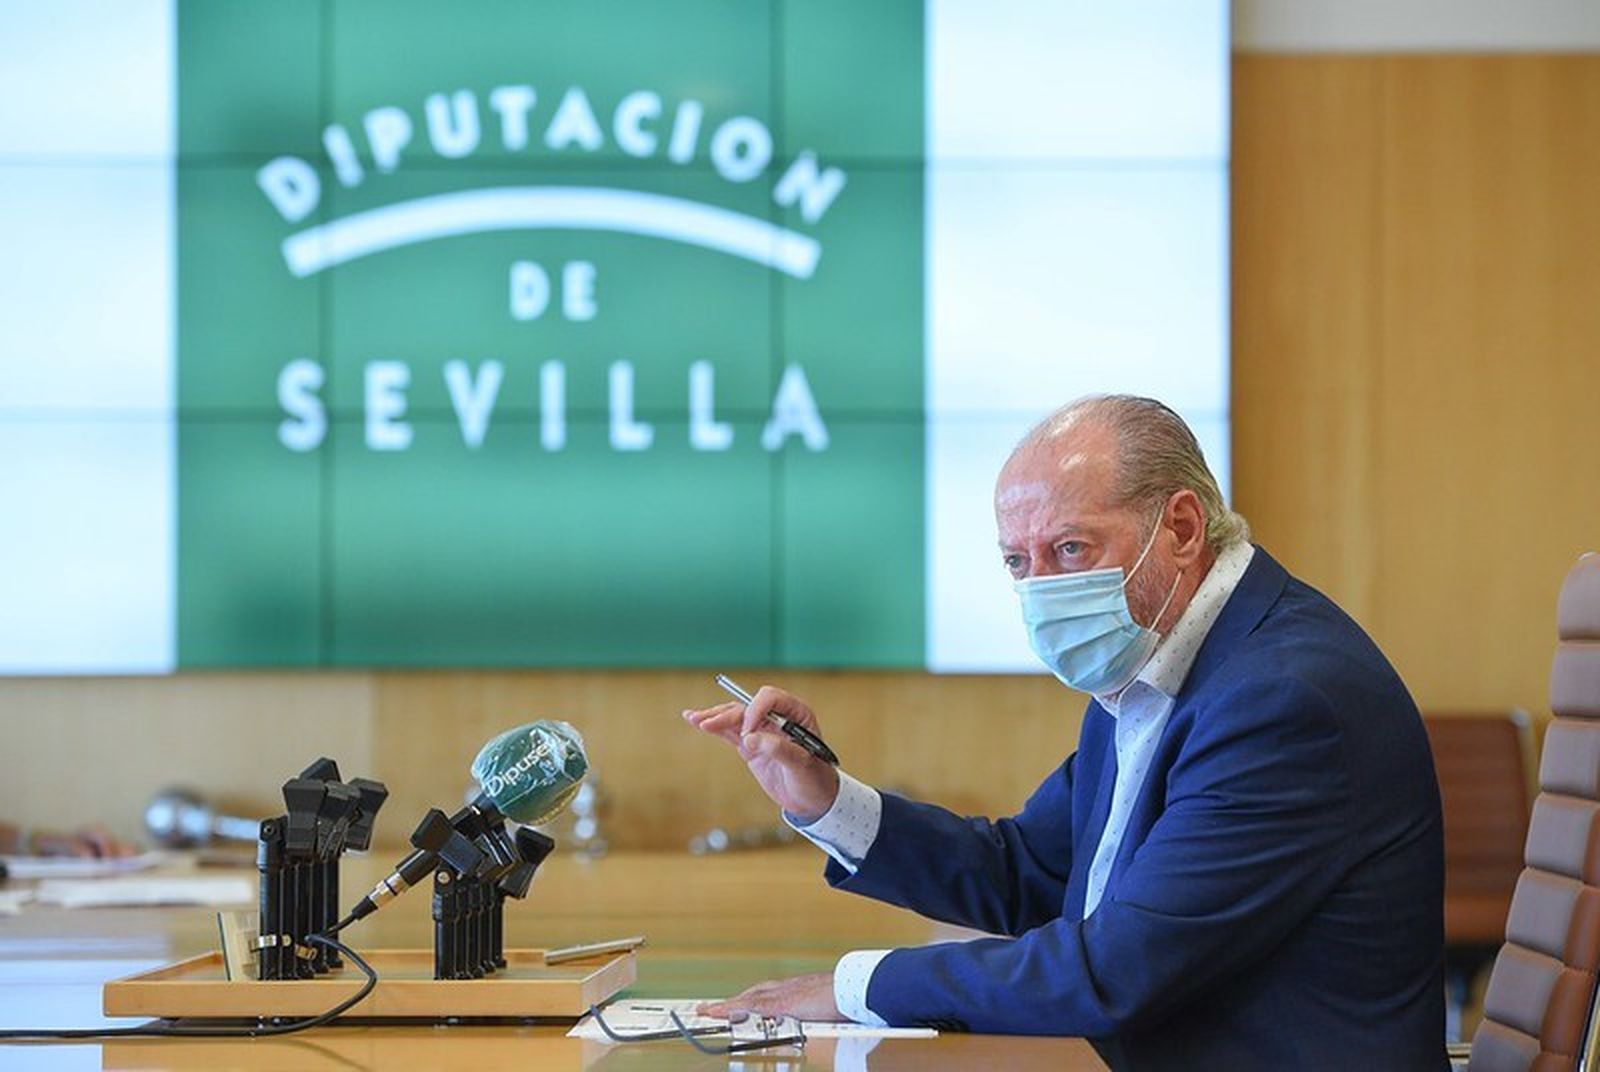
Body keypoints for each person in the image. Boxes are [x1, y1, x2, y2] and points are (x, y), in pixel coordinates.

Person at [685, 395, 1445, 1071]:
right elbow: (1028, 873)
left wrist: (853, 987)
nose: (1043, 588)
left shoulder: (1281, 700)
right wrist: (824, 801)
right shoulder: (1158, 660)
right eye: (1019, 561)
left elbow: (1113, 971)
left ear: (1180, 527)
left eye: (1071, 549)